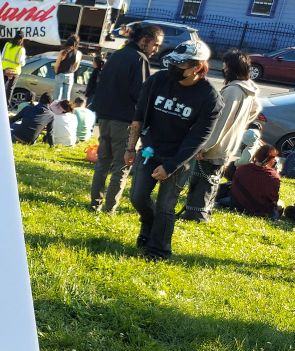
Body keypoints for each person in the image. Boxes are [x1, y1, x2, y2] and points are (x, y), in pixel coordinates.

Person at [126, 41, 222, 261]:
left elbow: (198, 138)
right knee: (138, 197)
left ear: (197, 67)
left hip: (180, 158)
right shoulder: (158, 80)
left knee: (165, 207)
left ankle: (159, 250)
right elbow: (139, 115)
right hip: (150, 150)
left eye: (181, 64)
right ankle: (149, 226)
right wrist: (130, 147)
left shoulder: (210, 98)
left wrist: (170, 166)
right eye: (173, 62)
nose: (173, 68)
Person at [88, 24, 164, 213]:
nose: (157, 50)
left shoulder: (117, 55)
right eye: (156, 44)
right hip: (124, 121)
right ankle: (109, 209)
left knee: (102, 163)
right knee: (121, 166)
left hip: (104, 117)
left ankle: (95, 204)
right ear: (144, 40)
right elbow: (141, 95)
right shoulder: (140, 59)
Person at [180, 49, 261, 221]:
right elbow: (256, 110)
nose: (223, 69)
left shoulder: (232, 91)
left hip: (216, 145)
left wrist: (204, 147)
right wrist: (239, 124)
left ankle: (197, 215)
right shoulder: (250, 88)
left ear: (232, 67)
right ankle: (203, 212)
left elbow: (219, 122)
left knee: (204, 180)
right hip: (229, 144)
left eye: (226, 66)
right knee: (213, 179)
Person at [217, 145, 281, 218]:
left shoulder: (242, 169)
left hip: (238, 204)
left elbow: (234, 189)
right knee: (281, 205)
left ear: (256, 155)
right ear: (271, 160)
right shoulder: (274, 176)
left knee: (223, 198)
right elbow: (274, 198)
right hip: (260, 208)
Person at [1, 31, 26, 106]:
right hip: (14, 71)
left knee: (1, 86)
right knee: (10, 89)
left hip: (4, 69)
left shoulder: (7, 44)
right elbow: (21, 62)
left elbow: (2, 56)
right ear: (22, 39)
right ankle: (6, 105)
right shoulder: (21, 49)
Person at [53, 36, 81, 100]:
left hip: (60, 74)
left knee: (57, 96)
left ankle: (55, 109)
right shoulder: (79, 54)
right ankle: (65, 109)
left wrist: (56, 73)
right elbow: (76, 67)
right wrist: (70, 72)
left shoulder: (63, 52)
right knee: (66, 97)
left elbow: (56, 65)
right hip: (70, 76)